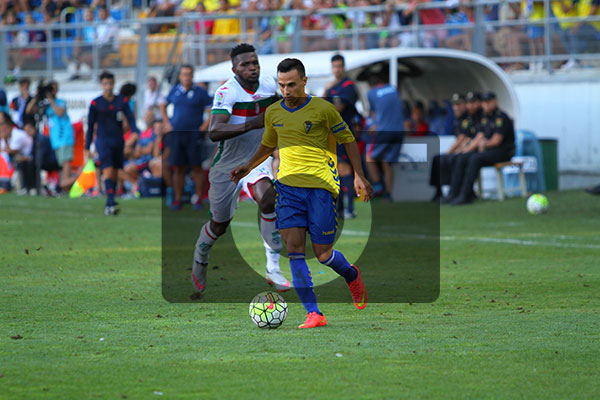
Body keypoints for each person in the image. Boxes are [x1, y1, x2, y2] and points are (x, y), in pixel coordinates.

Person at [231, 58, 373, 329]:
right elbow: (267, 144)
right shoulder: (274, 112)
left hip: (320, 188)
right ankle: (313, 313)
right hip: (287, 189)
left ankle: (351, 274)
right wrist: (247, 166)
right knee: (294, 250)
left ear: (304, 81)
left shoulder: (323, 109)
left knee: (323, 255)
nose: (286, 90)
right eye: (282, 85)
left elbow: (348, 139)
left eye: (292, 85)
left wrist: (358, 175)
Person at [191, 43, 290, 297]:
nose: (252, 68)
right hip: (227, 164)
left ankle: (273, 268)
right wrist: (252, 123)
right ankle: (201, 254)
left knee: (268, 199)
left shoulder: (270, 85)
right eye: (245, 65)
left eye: (254, 63)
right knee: (220, 224)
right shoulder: (226, 92)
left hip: (257, 159)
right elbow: (214, 131)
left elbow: (286, 107)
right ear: (235, 69)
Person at [86, 71, 140, 216]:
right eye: (105, 84)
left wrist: (135, 132)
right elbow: (90, 126)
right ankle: (110, 203)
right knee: (108, 169)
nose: (108, 87)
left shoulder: (121, 101)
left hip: (118, 141)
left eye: (110, 83)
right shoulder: (95, 103)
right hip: (103, 141)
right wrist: (87, 147)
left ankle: (111, 200)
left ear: (113, 84)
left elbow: (131, 118)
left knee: (115, 171)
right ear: (101, 85)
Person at [160, 64, 213, 211]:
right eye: (184, 74)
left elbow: (211, 109)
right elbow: (163, 105)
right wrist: (167, 122)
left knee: (197, 167)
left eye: (189, 74)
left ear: (192, 76)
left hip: (193, 134)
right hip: (177, 133)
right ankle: (178, 199)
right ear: (180, 76)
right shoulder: (175, 91)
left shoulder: (200, 92)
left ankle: (198, 198)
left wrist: (204, 127)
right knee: (178, 168)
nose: (187, 77)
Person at [448, 92, 516, 205]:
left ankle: (466, 194)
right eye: (484, 102)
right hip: (489, 150)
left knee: (475, 159)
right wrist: (466, 149)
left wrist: (484, 144)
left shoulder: (501, 117)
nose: (486, 105)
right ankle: (454, 193)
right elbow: (479, 136)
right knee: (462, 158)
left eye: (489, 102)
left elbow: (496, 141)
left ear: (495, 101)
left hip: (504, 151)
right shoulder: (484, 118)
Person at [323, 54, 362, 219]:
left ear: (344, 67)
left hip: (345, 133)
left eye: (339, 66)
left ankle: (350, 208)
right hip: (332, 134)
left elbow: (338, 107)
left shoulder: (348, 86)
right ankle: (339, 209)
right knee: (335, 170)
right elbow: (323, 104)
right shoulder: (332, 87)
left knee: (345, 168)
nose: (337, 69)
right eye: (334, 66)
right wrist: (326, 90)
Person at [26, 81, 75, 192]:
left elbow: (60, 112)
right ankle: (65, 187)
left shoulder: (59, 102)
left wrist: (51, 99)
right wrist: (36, 97)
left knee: (65, 163)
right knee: (61, 165)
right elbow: (29, 111)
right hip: (56, 140)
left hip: (64, 138)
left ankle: (73, 181)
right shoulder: (46, 106)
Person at [365, 74, 405, 199]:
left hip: (384, 131)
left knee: (369, 158)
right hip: (399, 131)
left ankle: (378, 186)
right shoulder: (393, 89)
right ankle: (388, 195)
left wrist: (374, 124)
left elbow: (373, 112)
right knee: (386, 162)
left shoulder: (371, 92)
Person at [441, 91, 483, 204]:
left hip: (484, 150)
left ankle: (464, 193)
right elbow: (468, 138)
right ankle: (450, 192)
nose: (471, 105)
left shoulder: (482, 117)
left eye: (473, 102)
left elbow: (479, 137)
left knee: (462, 159)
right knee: (448, 158)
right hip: (475, 148)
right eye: (469, 103)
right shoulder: (468, 118)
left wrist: (464, 149)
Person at [429, 93, 469, 201]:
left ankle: (454, 191)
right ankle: (438, 191)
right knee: (436, 159)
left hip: (467, 150)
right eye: (454, 105)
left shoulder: (467, 118)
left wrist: (449, 151)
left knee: (449, 159)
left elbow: (462, 138)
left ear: (465, 105)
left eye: (459, 104)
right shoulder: (456, 119)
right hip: (460, 149)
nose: (456, 107)